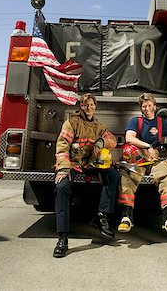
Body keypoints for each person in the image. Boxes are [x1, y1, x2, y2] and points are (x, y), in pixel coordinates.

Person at [53, 93, 119, 258]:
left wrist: (102, 142)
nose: (88, 108)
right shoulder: (72, 123)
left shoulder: (98, 125)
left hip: (91, 164)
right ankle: (62, 238)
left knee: (113, 175)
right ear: (80, 106)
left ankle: (101, 216)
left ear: (95, 106)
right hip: (73, 165)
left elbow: (112, 139)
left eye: (91, 105)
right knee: (62, 188)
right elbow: (62, 145)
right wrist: (63, 168)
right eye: (85, 105)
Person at [117, 92, 167, 234]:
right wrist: (148, 146)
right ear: (141, 108)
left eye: (149, 105)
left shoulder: (160, 122)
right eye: (144, 106)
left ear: (154, 107)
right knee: (127, 174)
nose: (146, 108)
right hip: (138, 157)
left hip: (155, 159)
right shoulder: (136, 121)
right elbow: (129, 138)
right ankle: (126, 216)